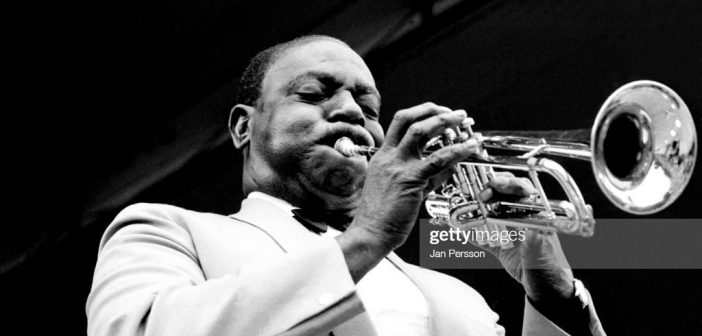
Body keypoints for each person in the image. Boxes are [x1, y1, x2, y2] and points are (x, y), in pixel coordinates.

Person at [86, 35, 605, 336]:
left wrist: (554, 297)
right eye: (314, 94)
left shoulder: (461, 299)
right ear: (244, 126)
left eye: (370, 107)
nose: (353, 113)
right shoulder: (167, 231)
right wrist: (367, 237)